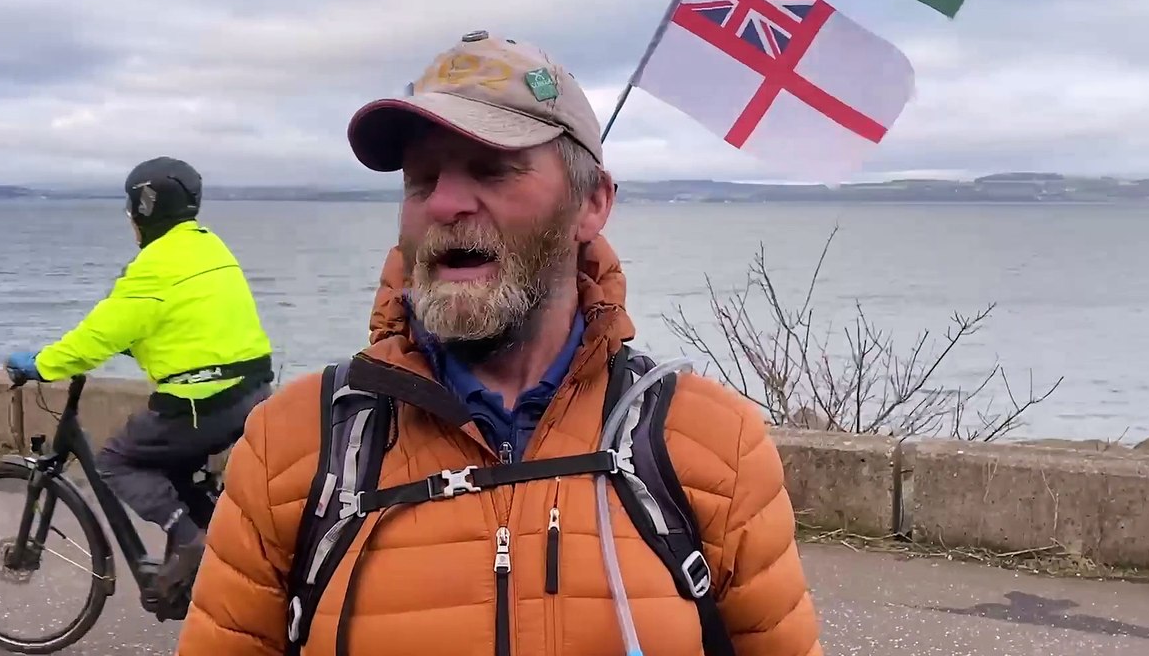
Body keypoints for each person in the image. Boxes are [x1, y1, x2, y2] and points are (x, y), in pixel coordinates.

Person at [175, 32, 822, 655]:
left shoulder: (709, 444)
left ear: (591, 204)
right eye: (422, 179)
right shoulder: (293, 448)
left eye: (493, 169)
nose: (446, 203)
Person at [3, 156, 275, 599]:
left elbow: (95, 337)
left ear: (144, 208)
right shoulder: (210, 246)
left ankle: (189, 542)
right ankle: (210, 559)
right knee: (175, 469)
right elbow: (187, 318)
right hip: (252, 390)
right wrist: (138, 344)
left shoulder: (151, 266)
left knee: (117, 460)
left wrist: (41, 364)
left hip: (200, 402)